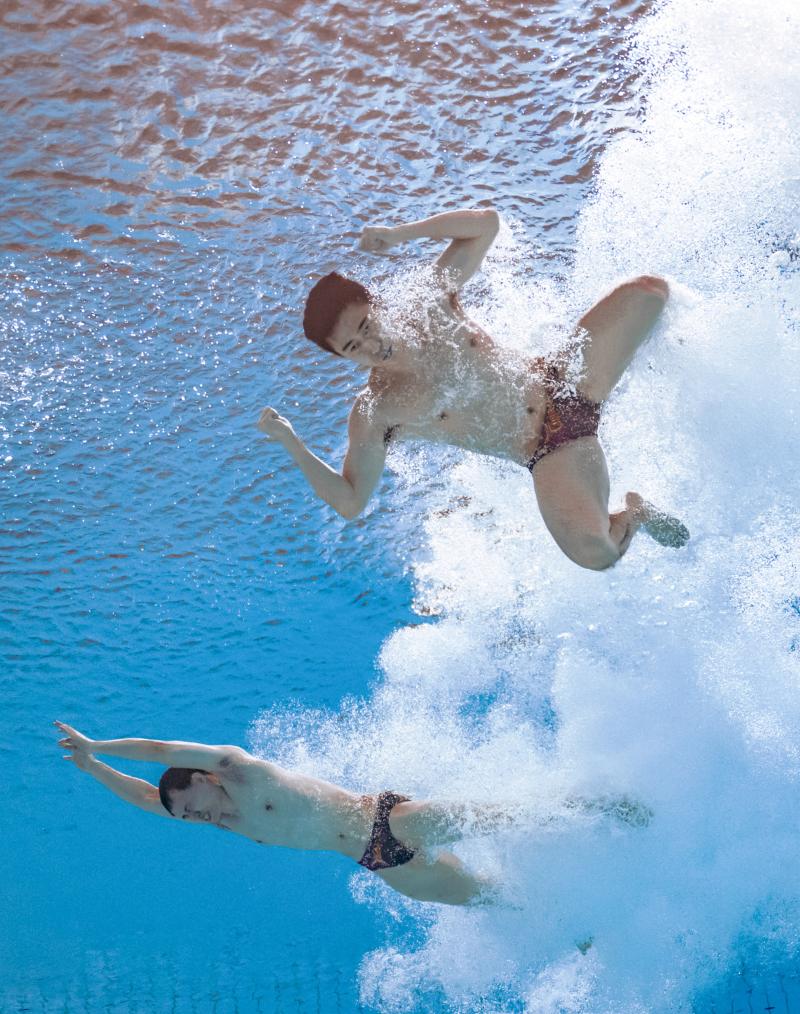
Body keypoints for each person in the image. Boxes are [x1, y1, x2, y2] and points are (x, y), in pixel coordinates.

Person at [257, 209, 689, 570]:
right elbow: (351, 502)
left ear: (377, 304)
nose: (372, 345)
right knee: (597, 554)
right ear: (344, 358)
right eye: (354, 347)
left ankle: (682, 346)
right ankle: (635, 513)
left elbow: (485, 225)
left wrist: (400, 233)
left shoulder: (429, 303)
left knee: (649, 291)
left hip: (566, 379)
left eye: (367, 326)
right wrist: (291, 442)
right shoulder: (377, 411)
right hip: (549, 451)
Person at [55, 721, 651, 907]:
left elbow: (161, 752)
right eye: (186, 821)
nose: (195, 820)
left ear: (205, 779)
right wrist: (94, 770)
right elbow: (146, 798)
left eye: (192, 808)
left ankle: (597, 804)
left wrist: (98, 744)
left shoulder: (239, 769)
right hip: (379, 862)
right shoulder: (231, 822)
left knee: (499, 818)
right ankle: (568, 917)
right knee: (488, 899)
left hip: (388, 822)